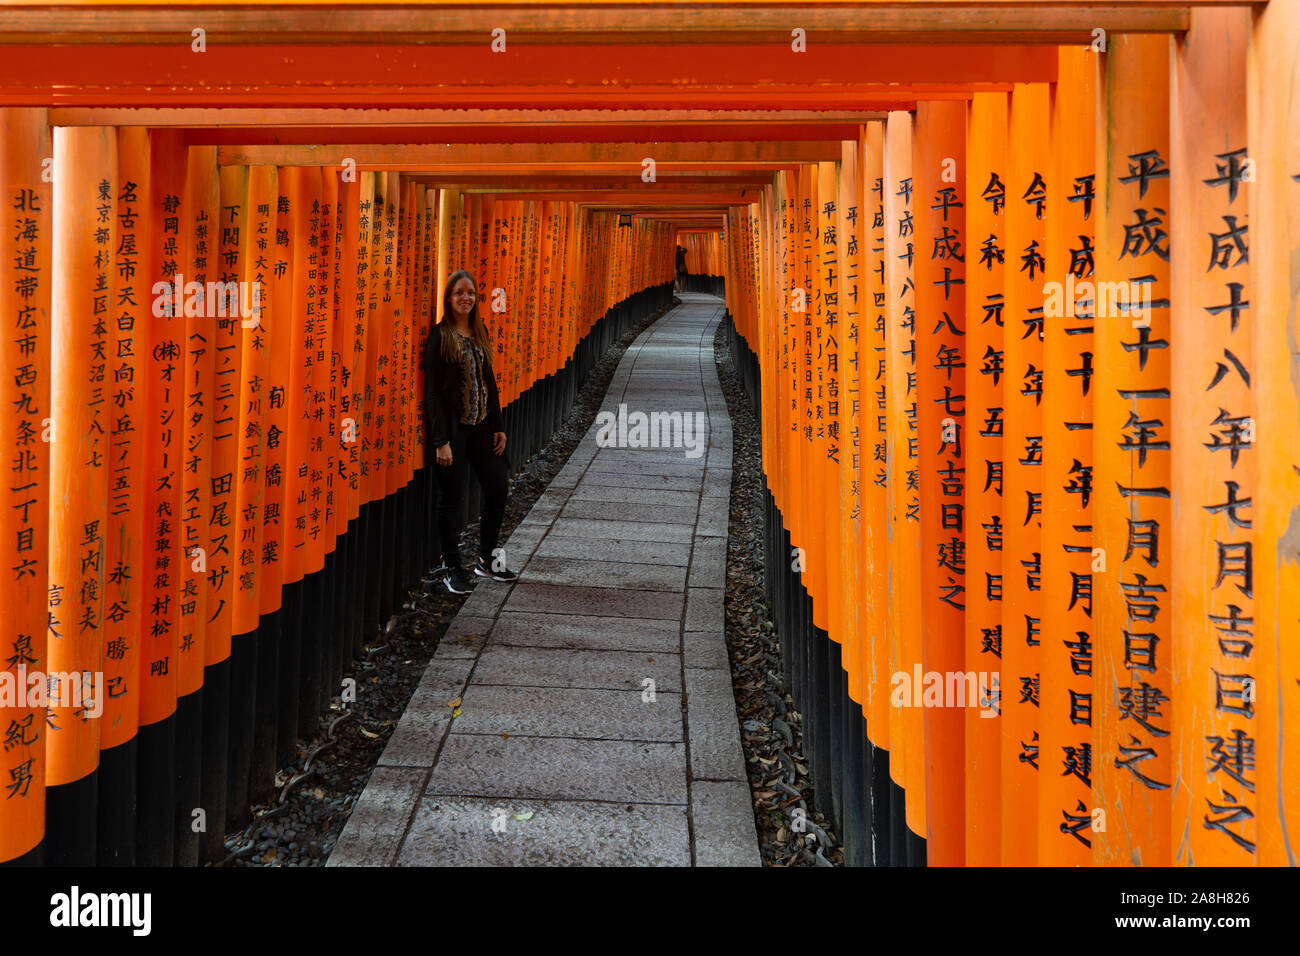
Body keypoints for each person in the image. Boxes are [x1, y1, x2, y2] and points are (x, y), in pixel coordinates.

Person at [423, 269, 518, 594]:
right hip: (453, 432)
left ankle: (488, 560)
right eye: (458, 293)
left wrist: (499, 426)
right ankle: (451, 568)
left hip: (481, 428)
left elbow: (488, 382)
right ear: (449, 299)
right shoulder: (441, 336)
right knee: (450, 500)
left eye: (470, 293)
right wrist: (441, 441)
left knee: (498, 488)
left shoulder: (479, 331)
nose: (465, 298)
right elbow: (433, 393)